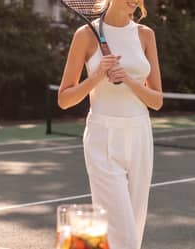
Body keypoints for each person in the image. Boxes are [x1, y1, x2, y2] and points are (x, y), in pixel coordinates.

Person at [58, 0, 163, 248]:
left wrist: (127, 78)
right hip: (102, 137)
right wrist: (96, 77)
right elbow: (64, 99)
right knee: (121, 234)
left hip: (139, 135)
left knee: (134, 232)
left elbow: (157, 100)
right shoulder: (85, 35)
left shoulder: (146, 35)